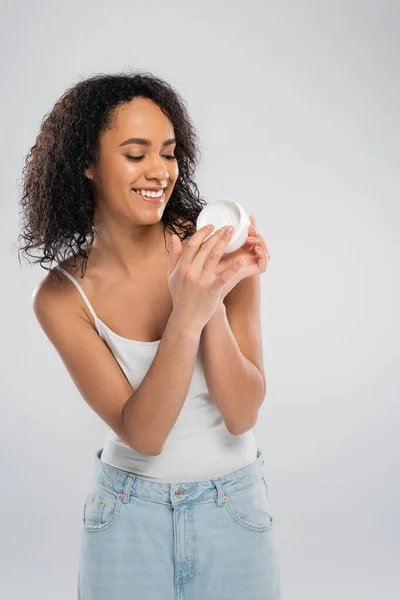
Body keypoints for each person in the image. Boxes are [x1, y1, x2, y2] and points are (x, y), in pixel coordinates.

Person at [17, 71, 281, 599]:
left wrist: (213, 301)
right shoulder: (62, 298)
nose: (159, 171)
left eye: (168, 152)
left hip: (236, 508)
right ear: (86, 165)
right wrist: (187, 313)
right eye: (136, 155)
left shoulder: (217, 246)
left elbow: (242, 413)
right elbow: (145, 434)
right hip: (126, 516)